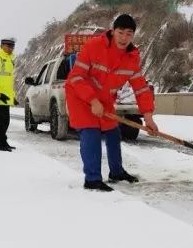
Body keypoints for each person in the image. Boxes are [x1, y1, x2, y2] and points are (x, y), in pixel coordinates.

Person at [64, 14, 158, 191]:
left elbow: (141, 89)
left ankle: (116, 171)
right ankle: (92, 179)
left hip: (104, 98)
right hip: (80, 95)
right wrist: (92, 100)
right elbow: (76, 76)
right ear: (113, 31)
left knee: (113, 132)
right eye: (120, 32)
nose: (124, 38)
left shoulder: (132, 58)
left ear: (133, 36)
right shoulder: (94, 46)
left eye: (129, 34)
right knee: (91, 132)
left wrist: (148, 117)